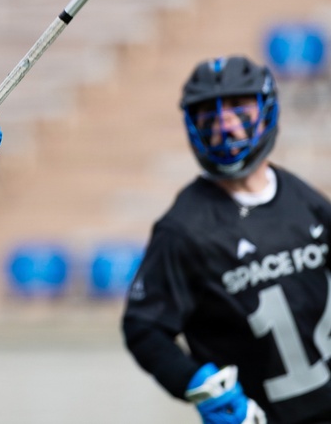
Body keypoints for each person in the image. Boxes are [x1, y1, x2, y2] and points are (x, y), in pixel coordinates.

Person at [122, 54, 331, 424]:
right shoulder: (183, 228)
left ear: (265, 110)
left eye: (238, 106)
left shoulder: (305, 200)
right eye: (209, 112)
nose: (224, 123)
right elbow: (144, 326)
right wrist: (196, 382)